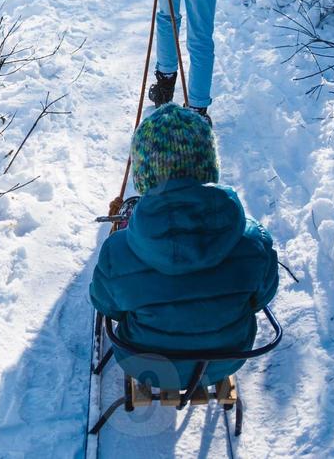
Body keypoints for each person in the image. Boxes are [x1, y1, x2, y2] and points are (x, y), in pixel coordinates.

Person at [88, 104, 279, 391]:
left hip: (145, 362)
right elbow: (262, 297)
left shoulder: (117, 251)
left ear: (145, 173)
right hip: (224, 360)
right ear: (209, 165)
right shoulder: (253, 241)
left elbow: (106, 305)